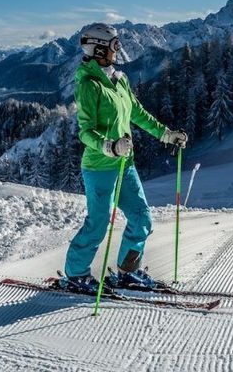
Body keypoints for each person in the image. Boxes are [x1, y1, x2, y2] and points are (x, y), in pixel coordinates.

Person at [62, 23, 188, 293]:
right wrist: (109, 146)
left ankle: (128, 272)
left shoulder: (120, 80)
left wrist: (166, 134)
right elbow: (86, 132)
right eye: (114, 45)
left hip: (124, 164)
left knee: (142, 218)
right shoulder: (89, 84)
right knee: (98, 224)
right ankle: (75, 274)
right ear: (98, 48)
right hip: (99, 167)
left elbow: (138, 113)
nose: (119, 50)